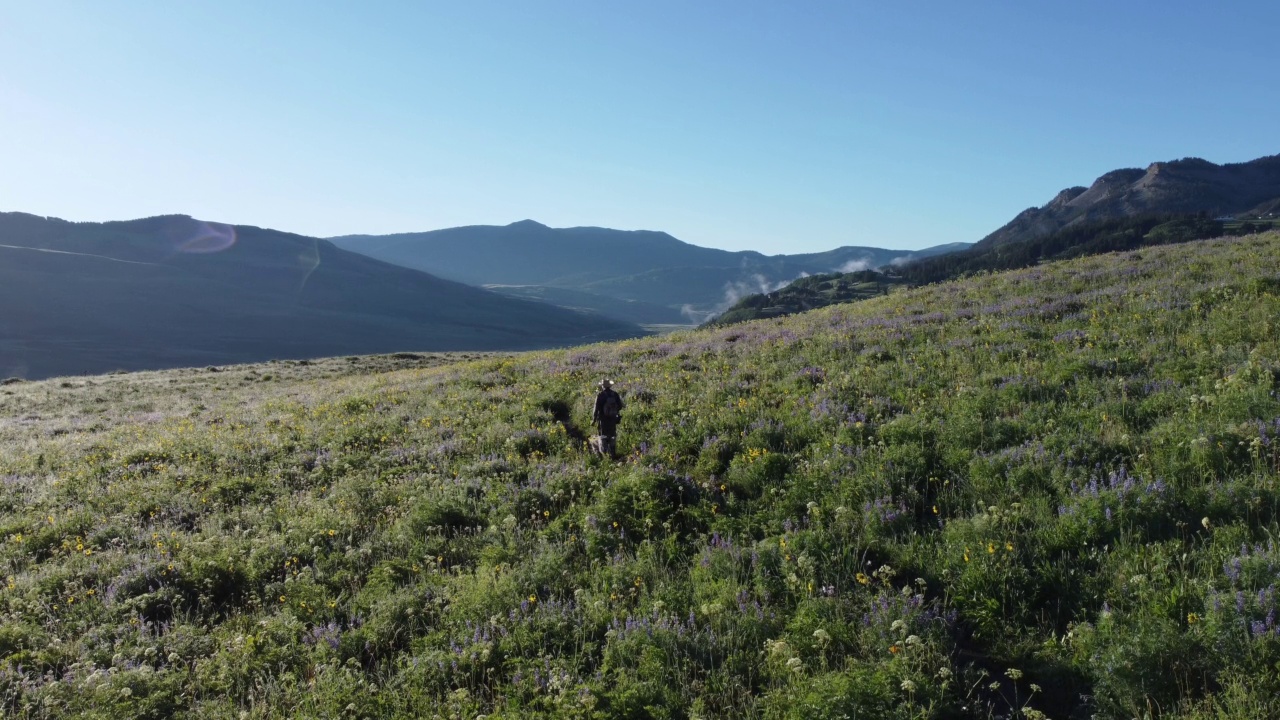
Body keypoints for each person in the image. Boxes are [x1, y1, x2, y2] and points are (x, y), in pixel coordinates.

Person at [592, 378, 624, 453]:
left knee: (603, 436)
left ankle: (604, 453)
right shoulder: (615, 394)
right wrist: (614, 411)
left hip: (603, 419)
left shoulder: (600, 395)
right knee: (612, 435)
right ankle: (612, 452)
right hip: (613, 419)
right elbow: (620, 406)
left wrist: (594, 420)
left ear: (603, 386)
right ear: (609, 386)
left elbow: (596, 409)